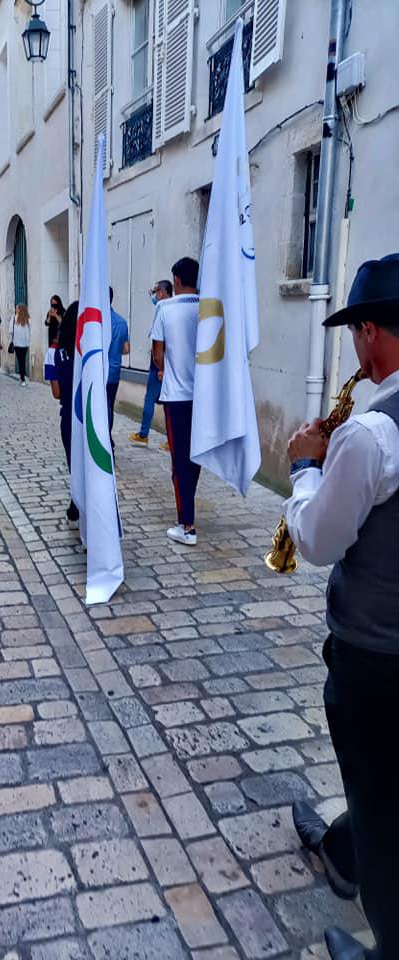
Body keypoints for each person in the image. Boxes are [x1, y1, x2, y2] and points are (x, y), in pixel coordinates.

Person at [285, 254, 399, 960]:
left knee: (383, 801)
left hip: (376, 659)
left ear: (368, 334)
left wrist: (303, 468)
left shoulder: (370, 436)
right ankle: (344, 848)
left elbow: (320, 540)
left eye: (356, 332)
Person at [151, 257, 201, 545]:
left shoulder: (164, 307)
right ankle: (188, 507)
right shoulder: (209, 306)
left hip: (176, 394)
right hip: (202, 396)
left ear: (177, 280)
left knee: (179, 459)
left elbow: (158, 352)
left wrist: (165, 366)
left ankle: (187, 525)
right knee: (195, 456)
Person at [47, 300, 80, 525]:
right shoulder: (90, 352)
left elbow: (56, 393)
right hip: (90, 416)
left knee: (75, 465)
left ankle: (75, 505)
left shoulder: (53, 354)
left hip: (68, 415)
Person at [129, 280, 173, 446]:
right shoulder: (169, 307)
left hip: (160, 364)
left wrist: (161, 367)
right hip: (165, 362)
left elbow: (160, 340)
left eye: (155, 292)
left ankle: (144, 434)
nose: (153, 295)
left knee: (152, 400)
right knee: (168, 402)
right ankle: (170, 440)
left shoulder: (163, 309)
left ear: (162, 292)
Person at [107, 287, 130, 447]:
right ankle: (108, 435)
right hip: (114, 371)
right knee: (109, 405)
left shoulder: (94, 321)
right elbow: (126, 349)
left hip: (98, 372)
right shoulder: (121, 321)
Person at [12, 304, 31, 386]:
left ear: (19, 309)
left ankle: (22, 378)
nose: (16, 310)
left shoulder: (14, 318)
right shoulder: (28, 320)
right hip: (25, 344)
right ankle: (22, 378)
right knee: (23, 360)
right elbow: (30, 332)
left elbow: (10, 331)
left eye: (16, 308)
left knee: (20, 361)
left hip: (17, 344)